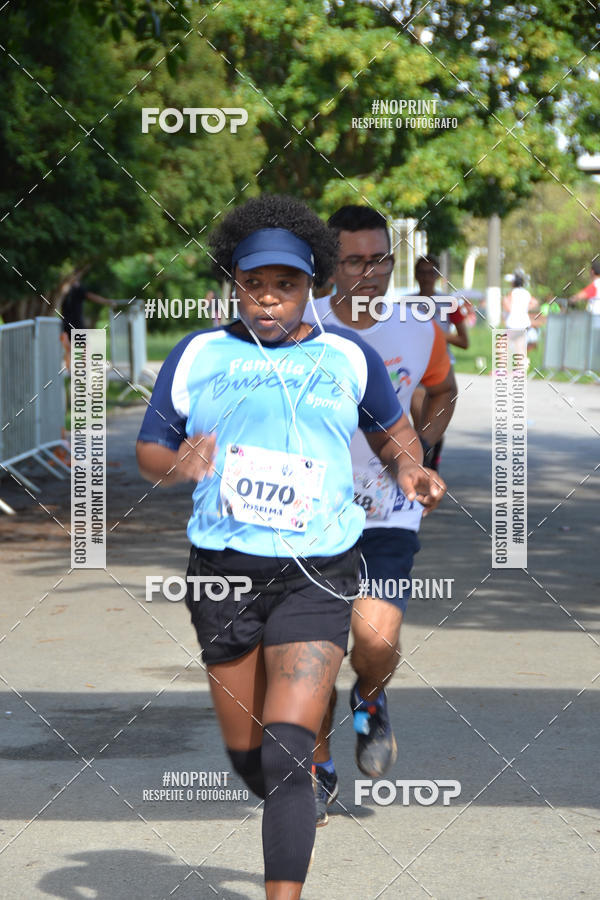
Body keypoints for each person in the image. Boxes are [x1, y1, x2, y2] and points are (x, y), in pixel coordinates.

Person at [135, 195, 445, 898]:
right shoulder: (197, 354)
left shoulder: (346, 355)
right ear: (233, 283)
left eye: (286, 284)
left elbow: (391, 428)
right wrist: (177, 464)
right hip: (222, 575)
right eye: (254, 284)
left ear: (313, 284)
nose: (269, 298)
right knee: (252, 759)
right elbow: (149, 449)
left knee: (286, 756)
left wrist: (409, 466)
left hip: (320, 569)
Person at [303, 205, 455, 826]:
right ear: (328, 266)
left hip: (388, 510)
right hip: (304, 512)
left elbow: (442, 391)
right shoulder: (295, 324)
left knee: (374, 639)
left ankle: (370, 698)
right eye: (354, 261)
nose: (369, 273)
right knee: (310, 651)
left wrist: (423, 447)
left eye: (380, 260)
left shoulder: (419, 328)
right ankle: (316, 770)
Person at [411, 254, 467, 472]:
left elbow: (464, 341)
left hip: (440, 366)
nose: (426, 277)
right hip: (416, 366)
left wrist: (437, 335)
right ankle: (423, 460)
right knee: (420, 419)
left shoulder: (448, 303)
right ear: (416, 275)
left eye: (431, 272)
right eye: (422, 272)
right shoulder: (404, 303)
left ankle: (432, 459)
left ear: (438, 276)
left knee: (433, 421)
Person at [60, 280, 116, 371]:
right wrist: (107, 301)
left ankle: (71, 370)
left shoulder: (64, 289)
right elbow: (91, 296)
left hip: (66, 322)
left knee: (69, 348)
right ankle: (83, 368)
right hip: (76, 322)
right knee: (84, 346)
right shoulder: (77, 289)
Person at [502, 271, 538, 360]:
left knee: (504, 345)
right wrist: (526, 308)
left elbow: (507, 307)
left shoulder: (512, 293)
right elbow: (534, 302)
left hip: (513, 322)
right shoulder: (526, 293)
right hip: (524, 322)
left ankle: (503, 368)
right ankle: (521, 366)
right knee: (520, 346)